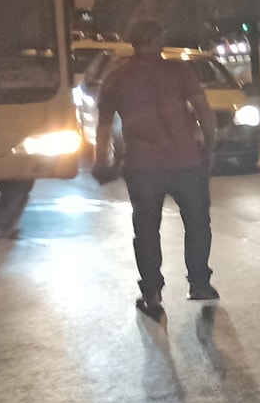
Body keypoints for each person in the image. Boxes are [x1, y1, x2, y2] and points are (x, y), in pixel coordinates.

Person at [91, 19, 217, 313]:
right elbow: (204, 113)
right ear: (159, 39)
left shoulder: (116, 77)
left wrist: (102, 161)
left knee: (147, 230)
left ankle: (152, 293)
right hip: (186, 162)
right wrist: (209, 148)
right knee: (198, 225)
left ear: (132, 42)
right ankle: (199, 283)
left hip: (142, 166)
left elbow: (104, 126)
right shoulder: (179, 71)